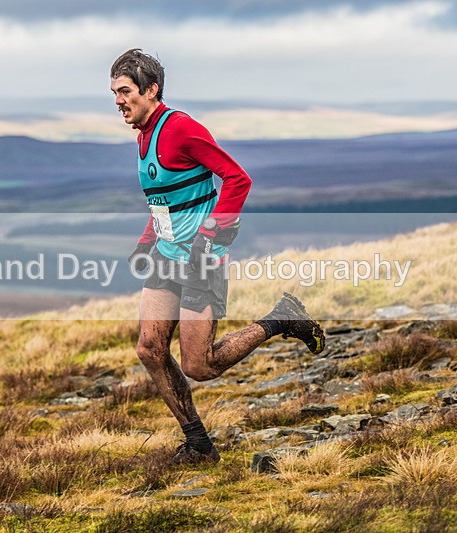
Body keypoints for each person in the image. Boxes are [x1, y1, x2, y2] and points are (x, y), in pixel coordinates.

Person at [110, 49, 325, 464]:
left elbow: (237, 179)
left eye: (125, 91)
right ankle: (199, 445)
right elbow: (164, 200)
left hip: (201, 260)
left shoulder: (180, 129)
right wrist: (146, 240)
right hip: (166, 256)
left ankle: (281, 317)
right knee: (150, 350)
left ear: (151, 90)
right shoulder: (144, 135)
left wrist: (212, 236)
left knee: (200, 365)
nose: (118, 100)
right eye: (114, 92)